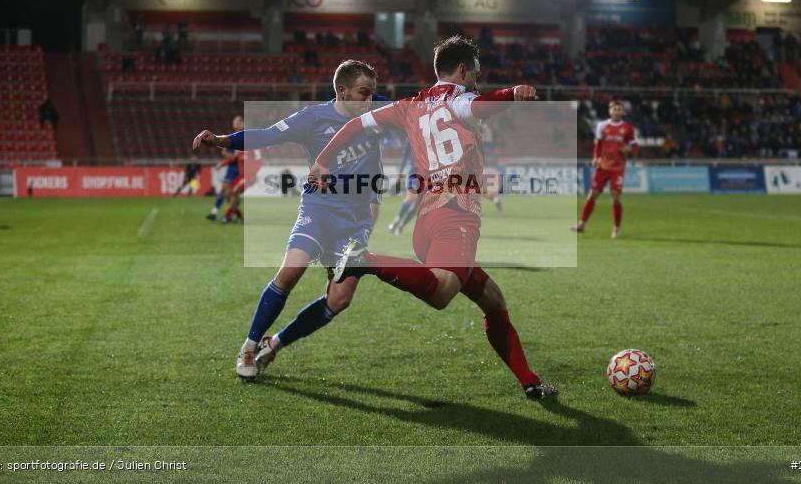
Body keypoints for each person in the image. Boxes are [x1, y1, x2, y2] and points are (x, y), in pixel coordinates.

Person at [299, 35, 557, 400]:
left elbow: (355, 125)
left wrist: (322, 159)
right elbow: (481, 105)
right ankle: (363, 261)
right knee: (442, 292)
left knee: (494, 302)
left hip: (426, 224)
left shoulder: (409, 105)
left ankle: (531, 383)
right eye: (476, 73)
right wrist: (513, 92)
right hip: (455, 216)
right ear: (463, 70)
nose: (478, 81)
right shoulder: (460, 98)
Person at [192, 61, 384, 379]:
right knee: (291, 270)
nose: (369, 100)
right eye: (364, 93)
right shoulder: (312, 118)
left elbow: (419, 108)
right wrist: (222, 140)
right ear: (342, 91)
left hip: (356, 218)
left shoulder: (376, 110)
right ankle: (249, 347)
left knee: (339, 299)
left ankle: (274, 344)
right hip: (320, 208)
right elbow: (266, 136)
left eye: (372, 94)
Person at [572, 100, 639, 239]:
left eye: (619, 109)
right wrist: (596, 157)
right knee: (592, 195)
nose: (617, 111)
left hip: (618, 167)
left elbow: (634, 146)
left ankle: (616, 228)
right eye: (614, 109)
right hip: (603, 166)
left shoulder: (627, 128)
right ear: (610, 111)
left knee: (615, 198)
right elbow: (598, 144)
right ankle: (582, 224)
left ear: (622, 112)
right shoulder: (602, 126)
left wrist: (630, 149)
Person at [207, 116, 244, 221]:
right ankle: (233, 215)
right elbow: (224, 152)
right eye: (235, 123)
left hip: (239, 170)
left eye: (238, 123)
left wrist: (224, 162)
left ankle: (222, 214)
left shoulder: (246, 136)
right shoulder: (231, 137)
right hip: (232, 169)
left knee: (229, 194)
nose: (236, 125)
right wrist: (230, 158)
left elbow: (239, 157)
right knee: (228, 194)